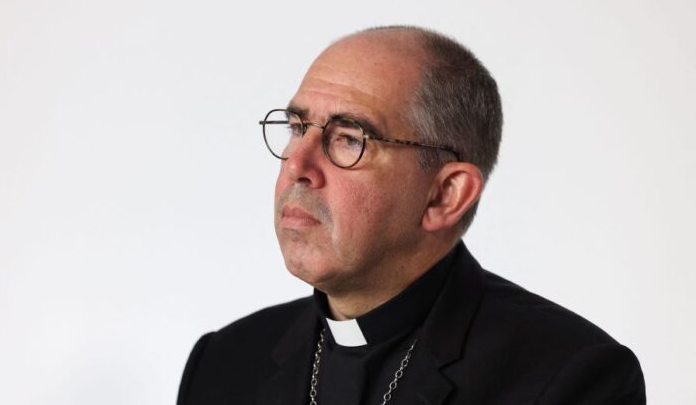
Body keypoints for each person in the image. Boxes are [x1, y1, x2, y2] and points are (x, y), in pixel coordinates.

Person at [177, 26, 645, 404]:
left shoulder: (570, 379)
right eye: (298, 127)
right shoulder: (224, 363)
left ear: (445, 195)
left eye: (348, 138)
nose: (297, 166)